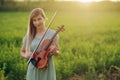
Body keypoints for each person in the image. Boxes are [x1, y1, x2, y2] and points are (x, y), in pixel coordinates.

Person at [20, 8, 59, 80]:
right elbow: (22, 51)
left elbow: (57, 52)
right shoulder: (29, 36)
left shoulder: (53, 34)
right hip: (34, 67)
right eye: (34, 20)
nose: (37, 22)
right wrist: (26, 55)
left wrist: (55, 51)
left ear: (44, 18)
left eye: (39, 19)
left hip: (48, 67)